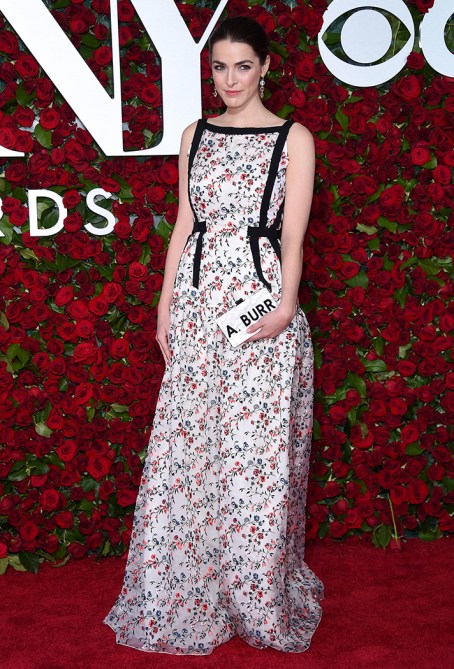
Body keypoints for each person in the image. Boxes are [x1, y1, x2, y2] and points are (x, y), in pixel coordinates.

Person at [103, 15, 324, 655]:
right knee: (192, 451)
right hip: (198, 312)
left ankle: (255, 592)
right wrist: (164, 305)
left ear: (266, 67)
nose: (230, 80)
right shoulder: (194, 134)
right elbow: (184, 224)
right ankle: (191, 589)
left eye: (242, 66)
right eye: (220, 67)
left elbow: (292, 236)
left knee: (255, 458)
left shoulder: (294, 138)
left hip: (260, 310)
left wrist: (284, 307)